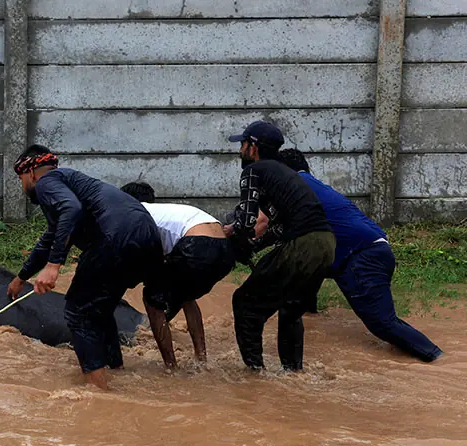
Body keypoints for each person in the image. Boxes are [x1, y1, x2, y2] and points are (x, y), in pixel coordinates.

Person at [6, 145, 162, 389]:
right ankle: (115, 371)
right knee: (99, 310)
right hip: (148, 239)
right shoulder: (69, 185)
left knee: (77, 312)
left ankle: (100, 393)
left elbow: (71, 209)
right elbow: (51, 238)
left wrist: (53, 265)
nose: (22, 185)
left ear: (32, 173)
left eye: (21, 179)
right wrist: (21, 277)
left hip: (115, 237)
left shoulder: (47, 182)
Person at [275, 148, 443, 362]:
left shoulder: (295, 186)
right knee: (307, 263)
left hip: (362, 257)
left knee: (383, 324)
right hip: (368, 248)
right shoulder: (313, 186)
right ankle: (309, 310)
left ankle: (437, 358)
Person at [224, 121, 336, 371]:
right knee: (291, 310)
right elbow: (278, 227)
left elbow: (246, 221)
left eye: (242, 144)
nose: (239, 150)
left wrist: (234, 238)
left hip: (302, 243)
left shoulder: (254, 171)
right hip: (326, 244)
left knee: (244, 303)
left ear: (253, 147)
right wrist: (254, 245)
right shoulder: (285, 174)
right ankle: (294, 373)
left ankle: (254, 375)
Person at [120, 181, 235, 367]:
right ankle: (201, 359)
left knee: (151, 299)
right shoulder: (166, 211)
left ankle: (170, 366)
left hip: (196, 244)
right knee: (185, 295)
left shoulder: (135, 211)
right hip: (225, 250)